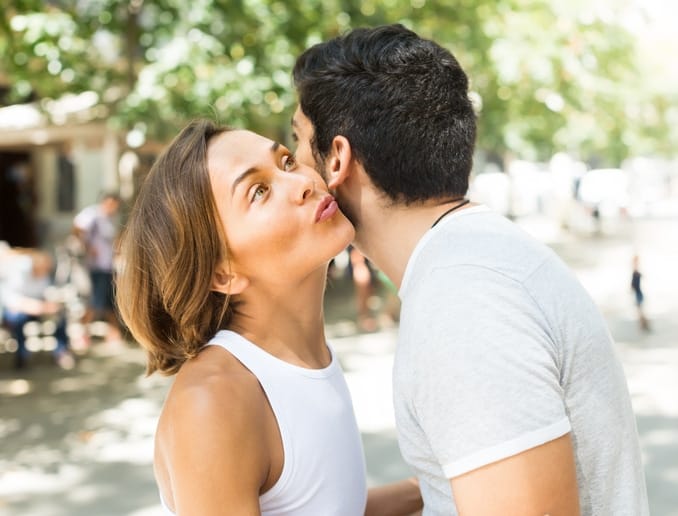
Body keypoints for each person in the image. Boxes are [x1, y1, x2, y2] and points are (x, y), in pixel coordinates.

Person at [292, 24, 649, 515]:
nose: (292, 170)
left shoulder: (463, 300)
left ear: (337, 158)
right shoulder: (472, 261)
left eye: (296, 141)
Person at [115, 120, 422, 515]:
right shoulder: (215, 400)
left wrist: (435, 484)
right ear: (222, 273)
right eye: (259, 191)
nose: (303, 183)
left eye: (287, 161)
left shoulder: (304, 356)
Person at [1, 248, 73, 369]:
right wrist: (39, 307)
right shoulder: (18, 271)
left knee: (60, 316)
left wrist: (52, 303)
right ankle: (22, 356)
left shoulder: (44, 273)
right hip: (18, 309)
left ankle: (61, 352)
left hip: (37, 308)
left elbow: (44, 292)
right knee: (17, 319)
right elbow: (11, 300)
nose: (45, 273)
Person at [72, 191, 122, 343]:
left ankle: (113, 334)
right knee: (95, 301)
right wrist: (87, 247)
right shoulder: (92, 215)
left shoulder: (109, 219)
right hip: (96, 266)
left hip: (108, 266)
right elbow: (76, 228)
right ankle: (82, 334)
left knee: (110, 300)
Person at [631, 254, 650, 331]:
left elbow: (633, 284)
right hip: (638, 293)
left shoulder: (635, 272)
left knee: (640, 311)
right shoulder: (636, 272)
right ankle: (644, 325)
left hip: (638, 293)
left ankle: (644, 325)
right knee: (640, 310)